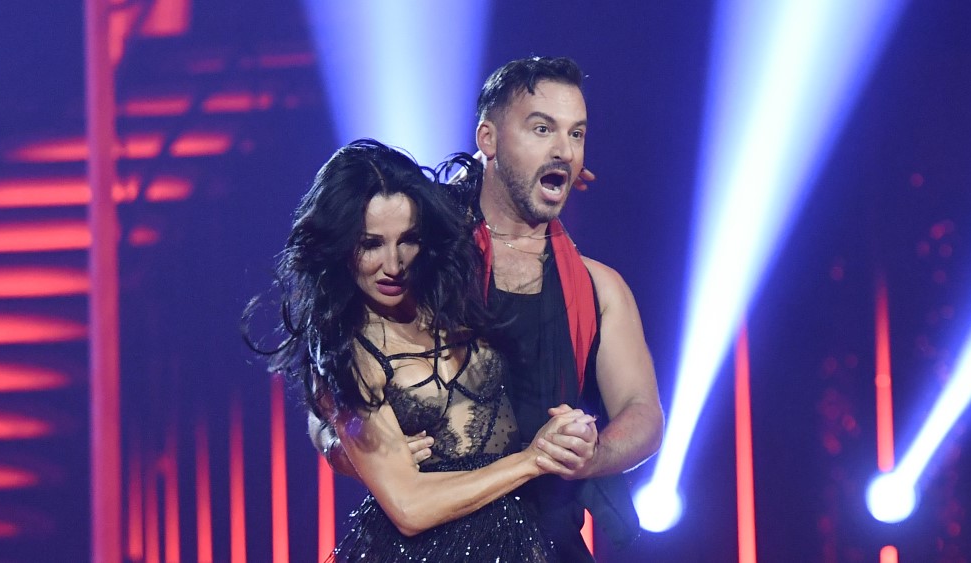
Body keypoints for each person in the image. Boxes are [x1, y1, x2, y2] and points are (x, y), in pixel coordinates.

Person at [315, 56, 665, 562]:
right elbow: (335, 360)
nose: (563, 150)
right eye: (542, 129)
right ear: (488, 139)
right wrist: (342, 444)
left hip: (549, 542)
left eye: (575, 134)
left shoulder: (599, 287)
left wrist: (591, 455)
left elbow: (642, 412)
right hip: (432, 542)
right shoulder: (421, 257)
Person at [256, 139, 596, 562]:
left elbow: (491, 158)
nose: (394, 265)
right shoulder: (345, 350)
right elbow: (409, 508)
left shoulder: (451, 281)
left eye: (408, 240)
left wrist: (545, 163)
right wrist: (534, 460)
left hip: (523, 537)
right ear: (340, 246)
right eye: (371, 244)